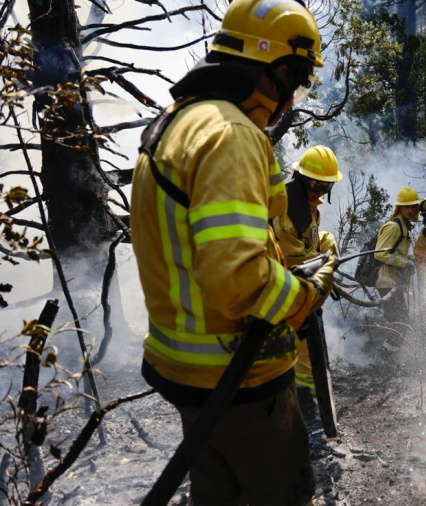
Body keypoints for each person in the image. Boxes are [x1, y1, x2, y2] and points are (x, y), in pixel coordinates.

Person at [129, 1, 335, 504]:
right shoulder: (232, 135)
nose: (293, 98)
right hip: (240, 378)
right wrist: (305, 296)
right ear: (280, 71)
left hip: (189, 371)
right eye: (300, 82)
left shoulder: (181, 121)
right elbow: (239, 280)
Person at [271, 145, 342, 399]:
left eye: (326, 187)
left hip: (303, 288)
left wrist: (327, 240)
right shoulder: (286, 209)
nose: (320, 192)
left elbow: (309, 238)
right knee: (303, 350)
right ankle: (305, 400)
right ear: (302, 179)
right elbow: (295, 257)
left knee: (307, 351)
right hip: (287, 290)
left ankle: (307, 394)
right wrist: (326, 262)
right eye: (316, 186)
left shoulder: (305, 203)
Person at [374, 185, 420, 324]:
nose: (410, 210)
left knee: (399, 324)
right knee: (400, 325)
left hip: (394, 282)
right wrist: (406, 263)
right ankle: (387, 347)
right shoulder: (394, 226)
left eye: (413, 206)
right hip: (386, 282)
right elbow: (380, 253)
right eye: (407, 207)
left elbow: (396, 253)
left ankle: (390, 346)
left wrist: (413, 259)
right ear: (399, 207)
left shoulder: (403, 226)